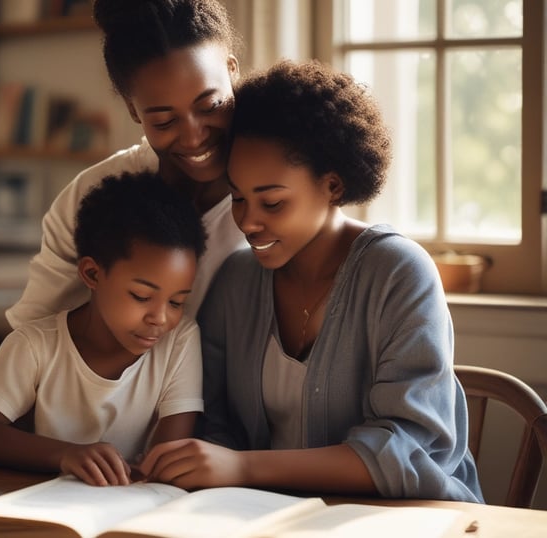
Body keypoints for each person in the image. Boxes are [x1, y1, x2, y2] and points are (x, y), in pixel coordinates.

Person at [139, 60, 485, 503]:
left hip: (404, 520)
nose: (247, 221)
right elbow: (212, 420)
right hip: (263, 517)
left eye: (273, 202)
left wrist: (244, 466)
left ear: (334, 186)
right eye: (239, 197)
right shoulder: (236, 281)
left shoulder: (399, 273)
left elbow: (407, 449)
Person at [5, 0, 246, 327]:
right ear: (134, 111)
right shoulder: (91, 198)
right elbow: (31, 335)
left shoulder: (279, 192)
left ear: (232, 70)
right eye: (164, 121)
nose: (193, 138)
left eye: (211, 106)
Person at [0, 172, 208, 487]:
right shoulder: (35, 345)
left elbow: (167, 457)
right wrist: (67, 454)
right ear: (92, 273)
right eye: (142, 297)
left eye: (176, 302)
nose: (160, 318)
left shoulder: (179, 341)